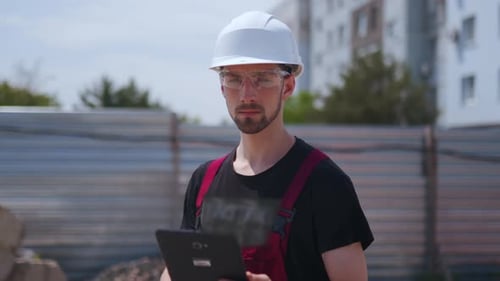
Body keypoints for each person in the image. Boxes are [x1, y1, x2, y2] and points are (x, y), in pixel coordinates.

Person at [161, 10, 373, 281]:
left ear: (288, 86)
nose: (247, 94)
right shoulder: (204, 181)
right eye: (234, 79)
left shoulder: (325, 184)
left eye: (263, 78)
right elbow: (178, 271)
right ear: (222, 88)